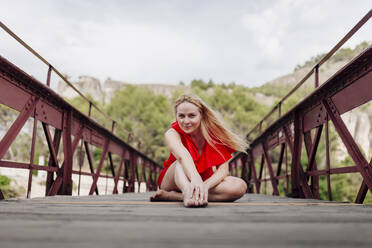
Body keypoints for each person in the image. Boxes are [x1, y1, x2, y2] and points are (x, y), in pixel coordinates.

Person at [150, 93, 248, 207]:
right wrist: (195, 179)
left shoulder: (213, 135)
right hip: (174, 179)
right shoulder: (171, 133)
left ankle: (177, 196)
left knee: (240, 186)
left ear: (201, 115)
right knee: (179, 163)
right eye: (181, 116)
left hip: (202, 181)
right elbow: (183, 156)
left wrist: (204, 186)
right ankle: (187, 191)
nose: (186, 121)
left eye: (191, 116)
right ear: (176, 116)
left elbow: (223, 170)